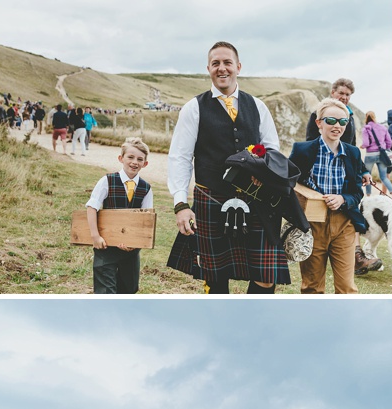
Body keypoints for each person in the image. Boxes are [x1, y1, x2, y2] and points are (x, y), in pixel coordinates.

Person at [167, 41, 288, 294]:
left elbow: (272, 150)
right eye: (215, 64)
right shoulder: (194, 108)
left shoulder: (257, 106)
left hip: (257, 201)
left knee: (266, 276)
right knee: (215, 276)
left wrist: (263, 172)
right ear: (208, 68)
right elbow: (180, 157)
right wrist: (181, 204)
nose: (222, 69)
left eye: (227, 63)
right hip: (211, 199)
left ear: (238, 67)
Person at [289, 98, 367, 294]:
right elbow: (289, 182)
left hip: (344, 225)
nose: (337, 126)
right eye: (331, 121)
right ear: (318, 123)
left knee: (347, 288)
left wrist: (343, 199)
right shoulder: (302, 150)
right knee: (312, 287)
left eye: (343, 122)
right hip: (312, 226)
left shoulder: (353, 153)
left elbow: (357, 192)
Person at [304, 77, 379, 274]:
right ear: (333, 93)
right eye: (341, 94)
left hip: (347, 173)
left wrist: (362, 170)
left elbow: (352, 148)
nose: (344, 97)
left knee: (352, 210)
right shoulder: (318, 115)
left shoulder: (349, 117)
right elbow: (310, 144)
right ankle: (351, 257)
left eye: (348, 95)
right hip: (325, 175)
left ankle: (355, 256)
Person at [85, 137, 153, 294]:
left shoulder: (146, 188)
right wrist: (95, 236)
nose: (134, 162)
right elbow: (92, 207)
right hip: (106, 248)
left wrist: (134, 244)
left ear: (145, 163)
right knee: (106, 291)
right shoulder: (107, 181)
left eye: (140, 159)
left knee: (128, 289)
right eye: (130, 157)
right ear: (121, 158)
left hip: (131, 252)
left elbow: (146, 221)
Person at [361, 111, 392, 196]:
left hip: (370, 155)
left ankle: (368, 195)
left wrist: (362, 146)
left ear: (366, 117)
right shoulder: (383, 127)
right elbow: (389, 142)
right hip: (381, 155)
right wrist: (385, 148)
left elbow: (366, 143)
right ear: (374, 117)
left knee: (367, 176)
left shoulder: (366, 128)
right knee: (383, 177)